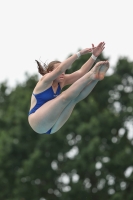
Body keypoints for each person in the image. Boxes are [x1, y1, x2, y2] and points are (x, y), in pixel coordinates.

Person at [28, 42, 109, 134]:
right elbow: (60, 69)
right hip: (37, 121)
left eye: (64, 71)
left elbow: (81, 73)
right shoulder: (45, 81)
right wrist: (79, 53)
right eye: (60, 71)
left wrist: (93, 56)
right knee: (64, 97)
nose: (63, 73)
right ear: (50, 72)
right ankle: (91, 74)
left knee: (73, 99)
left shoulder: (61, 81)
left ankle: (96, 78)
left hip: (51, 128)